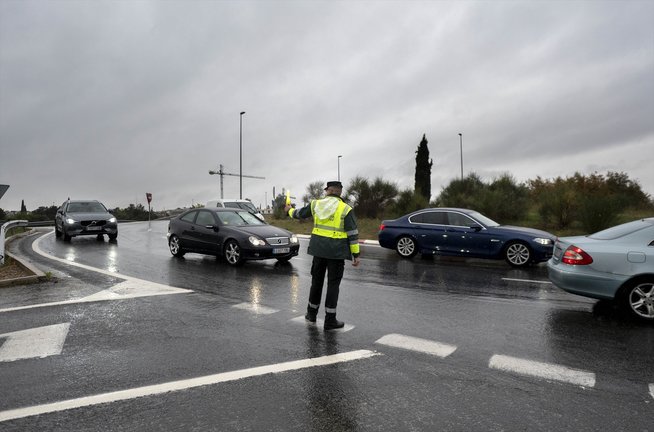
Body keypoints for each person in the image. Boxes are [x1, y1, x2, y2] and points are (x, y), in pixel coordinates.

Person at [284, 181, 360, 330]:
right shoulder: (346, 209)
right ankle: (330, 320)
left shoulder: (316, 204)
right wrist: (356, 254)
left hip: (318, 251)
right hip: (336, 253)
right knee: (333, 285)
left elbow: (299, 213)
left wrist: (289, 210)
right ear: (339, 192)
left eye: (326, 190)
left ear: (329, 190)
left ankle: (311, 314)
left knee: (316, 282)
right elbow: (353, 234)